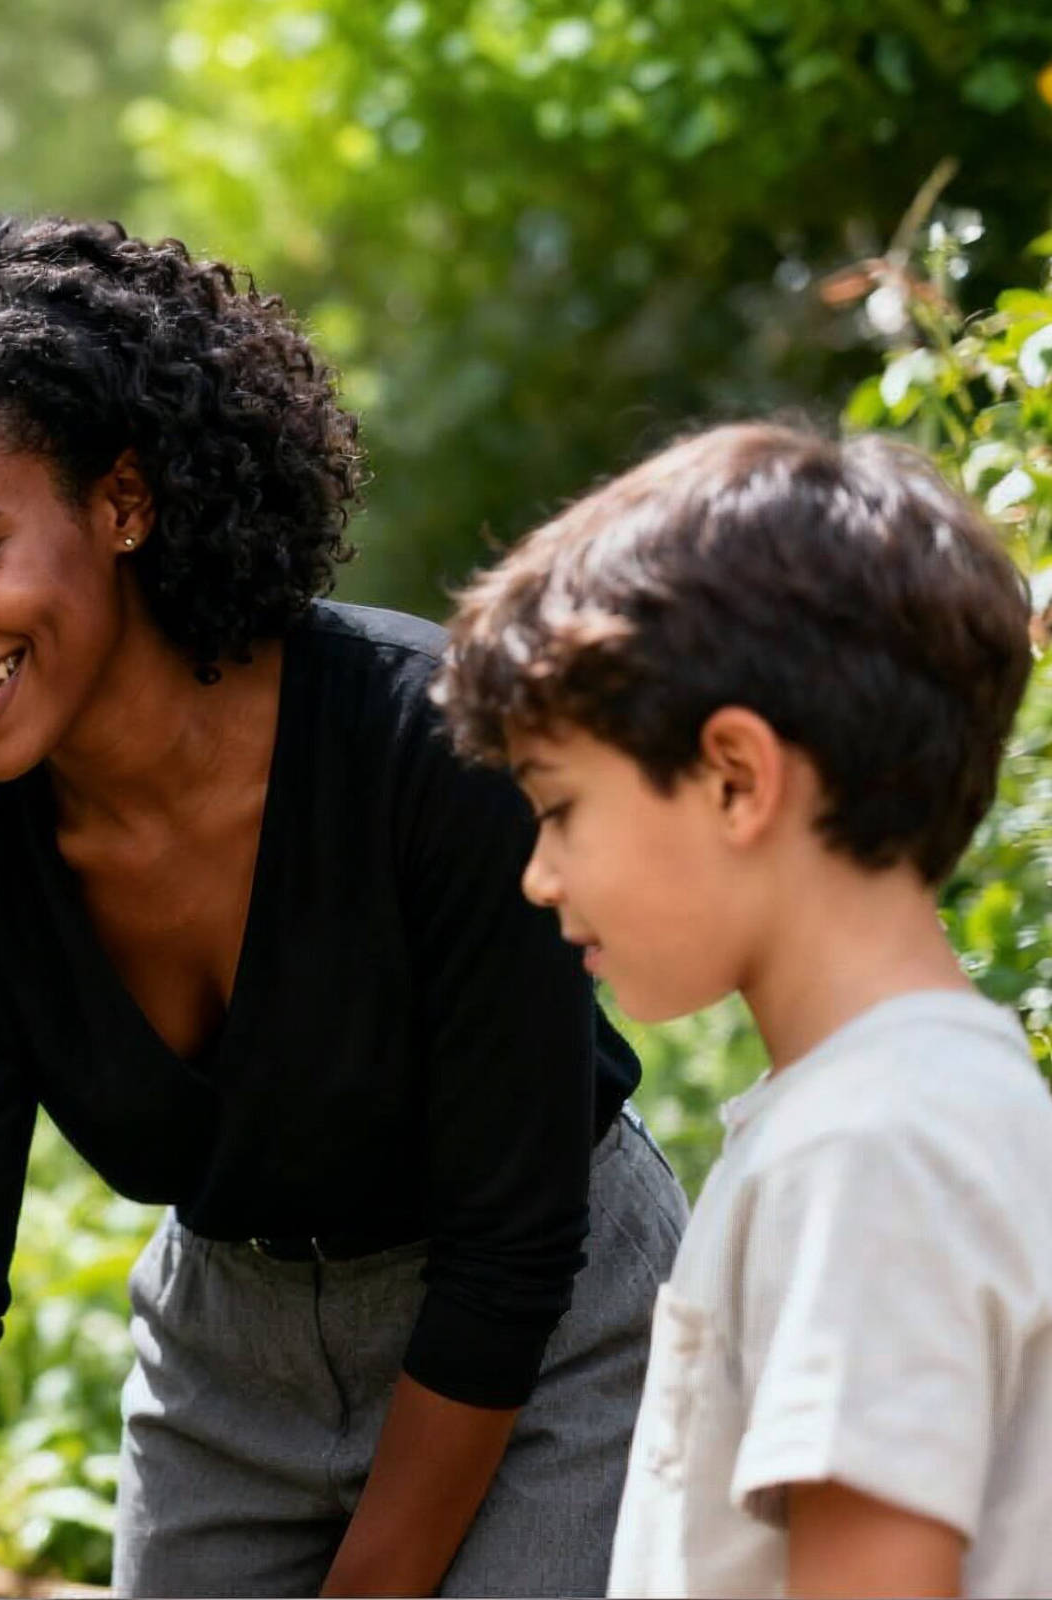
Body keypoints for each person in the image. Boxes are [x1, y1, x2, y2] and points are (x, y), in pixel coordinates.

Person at [0, 215, 686, 1599]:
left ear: (125, 500)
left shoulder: (435, 751)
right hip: (234, 1365)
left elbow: (511, 1251)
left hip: (551, 1329)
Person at [433, 421, 1052, 1597]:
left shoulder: (874, 1148)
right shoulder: (888, 1112)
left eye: (560, 808)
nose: (538, 874)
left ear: (735, 776)